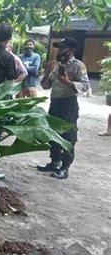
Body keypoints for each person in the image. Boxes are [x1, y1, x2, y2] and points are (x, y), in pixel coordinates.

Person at [38, 37, 90, 179]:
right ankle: (54, 161)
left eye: (62, 48)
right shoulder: (56, 65)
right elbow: (46, 86)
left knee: (68, 136)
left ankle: (65, 167)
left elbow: (86, 87)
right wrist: (46, 75)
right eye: (58, 48)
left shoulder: (78, 66)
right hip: (55, 103)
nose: (59, 51)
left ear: (71, 50)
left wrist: (67, 82)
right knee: (53, 133)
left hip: (68, 105)